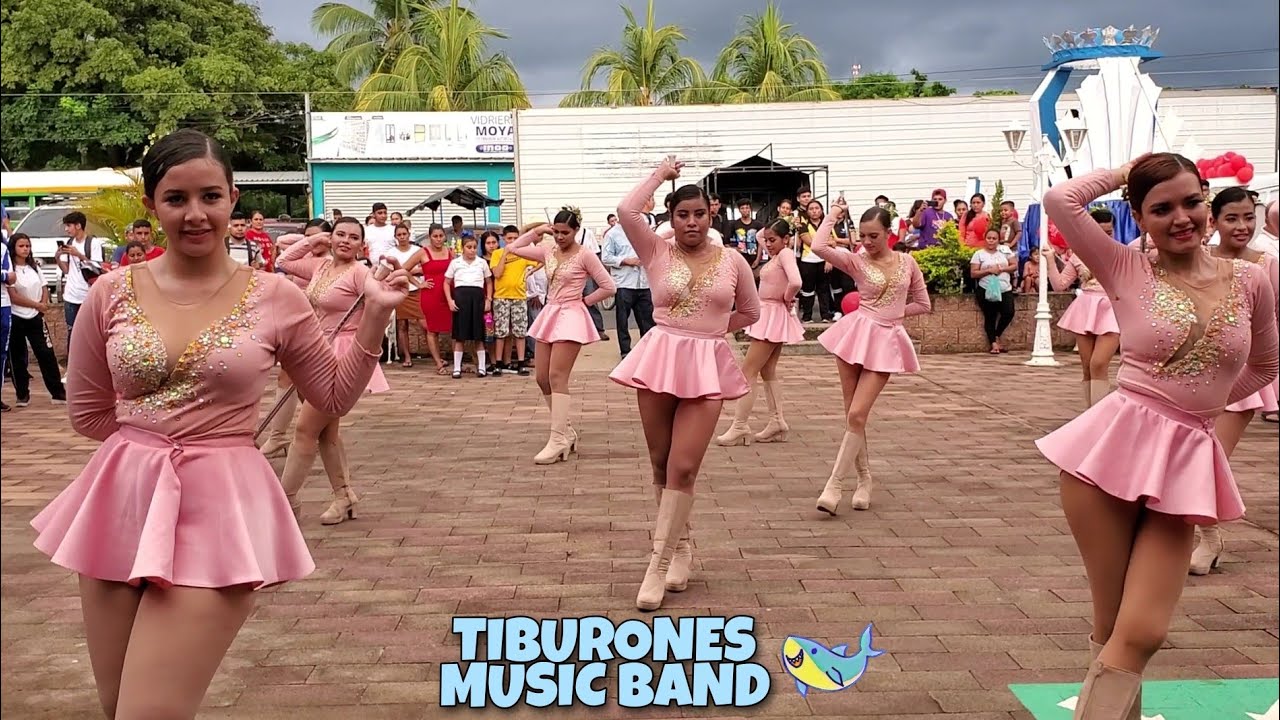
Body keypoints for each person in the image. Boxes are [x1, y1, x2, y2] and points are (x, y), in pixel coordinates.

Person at [28, 129, 408, 719]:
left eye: (210, 196)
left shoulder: (277, 296)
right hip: (122, 499)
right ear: (152, 205)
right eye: (175, 198)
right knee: (115, 704)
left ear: (233, 198)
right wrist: (151, 447)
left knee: (148, 712)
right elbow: (89, 411)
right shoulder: (110, 292)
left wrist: (375, 319)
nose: (195, 213)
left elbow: (331, 394)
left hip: (220, 508)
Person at [1038, 154, 1277, 720]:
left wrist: (1204, 407)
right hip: (1109, 455)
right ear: (1140, 216)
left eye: (1191, 202)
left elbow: (1267, 364)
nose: (1181, 218)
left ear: (1207, 202)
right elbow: (1060, 201)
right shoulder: (1125, 266)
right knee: (1113, 625)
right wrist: (1127, 170)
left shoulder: (1252, 279)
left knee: (1144, 630)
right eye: (1161, 208)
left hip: (1185, 461)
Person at [612, 156, 760, 612]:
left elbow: (751, 312)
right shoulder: (656, 251)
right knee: (660, 462)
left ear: (711, 216)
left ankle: (656, 565)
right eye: (682, 214)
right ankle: (680, 547)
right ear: (671, 218)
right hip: (660, 358)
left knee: (684, 467)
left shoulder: (733, 260)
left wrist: (710, 332)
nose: (691, 222)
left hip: (706, 364)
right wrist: (660, 174)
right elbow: (627, 211)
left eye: (699, 214)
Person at [811, 198, 931, 515]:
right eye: (863, 235)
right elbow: (819, 247)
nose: (866, 241)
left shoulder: (908, 263)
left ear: (888, 233)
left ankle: (834, 485)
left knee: (858, 413)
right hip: (856, 334)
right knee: (853, 415)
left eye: (873, 236)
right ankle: (864, 479)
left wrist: (894, 315)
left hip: (886, 340)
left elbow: (924, 304)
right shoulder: (856, 260)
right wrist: (834, 214)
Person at [276, 218, 393, 526]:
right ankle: (344, 496)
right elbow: (283, 261)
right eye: (340, 234)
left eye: (353, 237)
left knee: (305, 430)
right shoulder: (321, 266)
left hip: (342, 356)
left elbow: (377, 301)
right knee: (326, 433)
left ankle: (284, 501)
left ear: (361, 245)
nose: (345, 241)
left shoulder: (360, 272)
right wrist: (313, 240)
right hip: (315, 352)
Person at [1189, 187, 1280, 576]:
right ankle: (1195, 535)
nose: (1242, 226)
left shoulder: (1266, 265)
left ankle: (1208, 538)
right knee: (1186, 460)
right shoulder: (1198, 258)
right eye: (1232, 218)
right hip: (1192, 376)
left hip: (1242, 377)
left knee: (1209, 460)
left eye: (1248, 217)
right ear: (1214, 220)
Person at [504, 210, 616, 464]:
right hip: (550, 313)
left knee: (557, 376)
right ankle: (565, 430)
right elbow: (513, 248)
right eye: (556, 232)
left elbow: (609, 286)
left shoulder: (585, 255)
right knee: (542, 378)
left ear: (576, 230)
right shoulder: (548, 250)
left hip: (571, 316)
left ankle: (557, 439)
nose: (560, 237)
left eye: (565, 232)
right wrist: (537, 231)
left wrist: (584, 302)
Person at [716, 218, 803, 446]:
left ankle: (740, 425)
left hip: (773, 313)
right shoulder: (777, 254)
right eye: (768, 240)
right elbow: (758, 236)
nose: (768, 243)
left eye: (773, 240)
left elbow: (796, 281)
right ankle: (777, 421)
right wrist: (776, 228)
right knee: (767, 370)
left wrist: (787, 298)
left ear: (786, 239)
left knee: (748, 370)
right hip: (769, 313)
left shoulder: (785, 254)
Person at [260, 219, 333, 459]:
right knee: (299, 384)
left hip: (317, 328)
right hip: (295, 324)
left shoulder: (326, 263)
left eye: (318, 237)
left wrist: (322, 240)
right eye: (307, 236)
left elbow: (283, 260)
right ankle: (320, 432)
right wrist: (310, 240)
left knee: (291, 378)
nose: (312, 242)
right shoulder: (306, 257)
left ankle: (279, 435)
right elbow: (282, 250)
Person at [1043, 207, 1122, 407]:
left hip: (1112, 309)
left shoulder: (1122, 253)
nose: (1105, 237)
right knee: (1087, 367)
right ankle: (1091, 412)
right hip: (1086, 307)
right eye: (1100, 232)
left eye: (1109, 232)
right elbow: (1060, 285)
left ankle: (1100, 413)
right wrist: (1051, 260)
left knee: (1099, 363)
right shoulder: (1079, 255)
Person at [5, 234, 67, 406]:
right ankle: (22, 394)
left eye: (27, 246)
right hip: (17, 316)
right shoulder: (11, 270)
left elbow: (44, 287)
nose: (25, 249)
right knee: (17, 356)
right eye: (21, 246)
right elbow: (13, 296)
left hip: (35, 316)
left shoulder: (34, 267)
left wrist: (42, 304)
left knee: (46, 353)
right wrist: (35, 304)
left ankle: (57, 392)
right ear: (13, 248)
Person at [970, 227, 1018, 354]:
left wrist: (1002, 269)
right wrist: (989, 271)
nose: (991, 241)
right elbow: (973, 273)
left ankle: (997, 334)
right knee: (990, 316)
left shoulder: (1004, 251)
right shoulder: (979, 254)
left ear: (998, 240)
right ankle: (994, 343)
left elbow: (1014, 265)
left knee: (1009, 312)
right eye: (989, 238)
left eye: (994, 238)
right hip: (986, 289)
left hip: (1004, 288)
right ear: (985, 239)